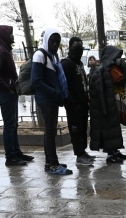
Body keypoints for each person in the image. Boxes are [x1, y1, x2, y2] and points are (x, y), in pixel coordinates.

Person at [0, 25, 33, 167]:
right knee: (9, 125)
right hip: (5, 93)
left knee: (13, 124)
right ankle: (10, 156)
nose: (12, 36)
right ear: (3, 35)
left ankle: (16, 152)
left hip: (10, 91)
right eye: (10, 34)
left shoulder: (4, 50)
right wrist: (7, 88)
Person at [31, 28, 72, 175]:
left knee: (50, 131)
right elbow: (36, 81)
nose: (55, 43)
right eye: (52, 41)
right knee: (50, 132)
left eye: (57, 41)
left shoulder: (52, 56)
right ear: (46, 40)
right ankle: (53, 164)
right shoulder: (40, 55)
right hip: (46, 100)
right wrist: (54, 92)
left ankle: (50, 162)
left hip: (52, 100)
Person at [89, 46, 126, 164]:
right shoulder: (103, 70)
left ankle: (115, 151)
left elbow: (122, 81)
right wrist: (105, 109)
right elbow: (100, 91)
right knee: (108, 130)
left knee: (113, 129)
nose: (117, 59)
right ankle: (110, 153)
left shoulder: (109, 68)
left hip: (110, 104)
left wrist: (123, 67)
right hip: (104, 106)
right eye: (116, 56)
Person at [61, 37, 95, 166]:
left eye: (81, 48)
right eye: (76, 48)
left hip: (83, 103)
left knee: (82, 129)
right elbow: (64, 86)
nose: (79, 51)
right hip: (74, 105)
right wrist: (71, 103)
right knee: (76, 130)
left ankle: (83, 152)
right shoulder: (66, 64)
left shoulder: (79, 63)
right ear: (70, 48)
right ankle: (79, 155)